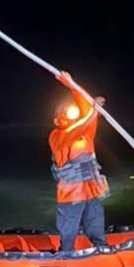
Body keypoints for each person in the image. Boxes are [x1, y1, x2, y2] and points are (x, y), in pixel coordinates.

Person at [48, 71, 110, 252]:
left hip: (91, 191)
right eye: (65, 115)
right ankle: (65, 256)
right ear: (56, 120)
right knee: (69, 232)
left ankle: (102, 252)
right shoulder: (57, 137)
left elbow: (85, 105)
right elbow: (77, 127)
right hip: (71, 195)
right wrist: (93, 112)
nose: (69, 118)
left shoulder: (85, 134)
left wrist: (71, 84)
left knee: (96, 224)